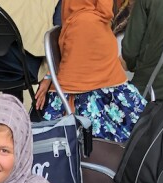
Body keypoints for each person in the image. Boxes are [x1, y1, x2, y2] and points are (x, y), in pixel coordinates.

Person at [36, 0, 146, 142]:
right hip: (99, 128)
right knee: (144, 130)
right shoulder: (92, 25)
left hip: (77, 116)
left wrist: (49, 77)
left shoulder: (75, 21)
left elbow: (70, 61)